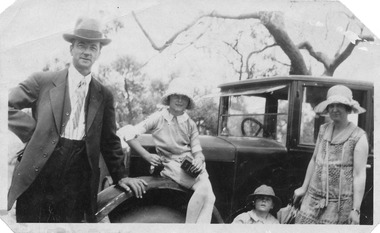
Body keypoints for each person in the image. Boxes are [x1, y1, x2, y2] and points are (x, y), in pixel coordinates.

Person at [8, 16, 147, 223]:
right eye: (81, 45)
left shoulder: (104, 94)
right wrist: (33, 132)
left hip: (77, 178)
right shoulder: (43, 81)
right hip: (40, 171)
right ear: (71, 49)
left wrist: (121, 176)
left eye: (93, 47)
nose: (86, 51)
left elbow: (109, 140)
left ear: (99, 53)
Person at [119, 78, 216, 223]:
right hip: (171, 164)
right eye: (176, 96)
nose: (179, 100)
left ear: (188, 102)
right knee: (203, 191)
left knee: (211, 197)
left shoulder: (190, 124)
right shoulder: (158, 118)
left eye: (184, 97)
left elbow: (197, 151)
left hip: (190, 165)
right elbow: (129, 135)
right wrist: (147, 156)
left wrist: (198, 159)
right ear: (169, 98)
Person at [293, 85, 369, 224]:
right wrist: (303, 188)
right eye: (331, 105)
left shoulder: (359, 136)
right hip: (312, 199)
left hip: (339, 205)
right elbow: (314, 159)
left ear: (348, 108)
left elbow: (359, 175)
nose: (334, 109)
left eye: (339, 105)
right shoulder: (324, 129)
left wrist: (355, 209)